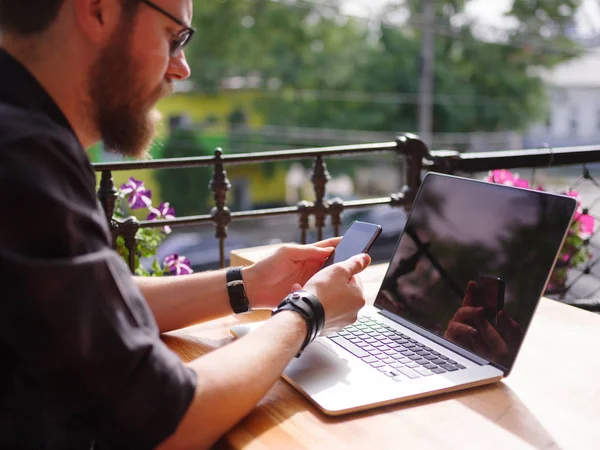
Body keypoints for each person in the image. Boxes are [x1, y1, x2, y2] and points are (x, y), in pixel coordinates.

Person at [0, 0, 371, 448]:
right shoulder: (21, 160)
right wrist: (306, 312)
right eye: (173, 37)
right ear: (98, 10)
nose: (182, 69)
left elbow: (90, 304)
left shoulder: (26, 136)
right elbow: (164, 420)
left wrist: (252, 283)